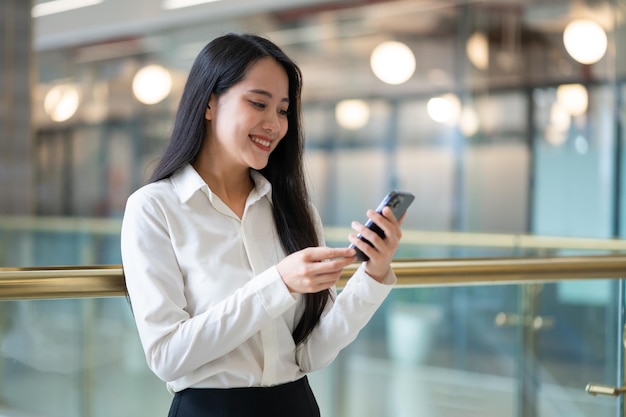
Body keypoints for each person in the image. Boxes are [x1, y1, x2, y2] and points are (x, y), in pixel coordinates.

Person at [120, 32, 406, 417]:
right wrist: (280, 283)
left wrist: (373, 274)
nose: (274, 124)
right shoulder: (155, 209)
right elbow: (167, 356)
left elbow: (311, 353)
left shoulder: (294, 210)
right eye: (259, 103)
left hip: (295, 405)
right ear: (208, 103)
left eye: (284, 110)